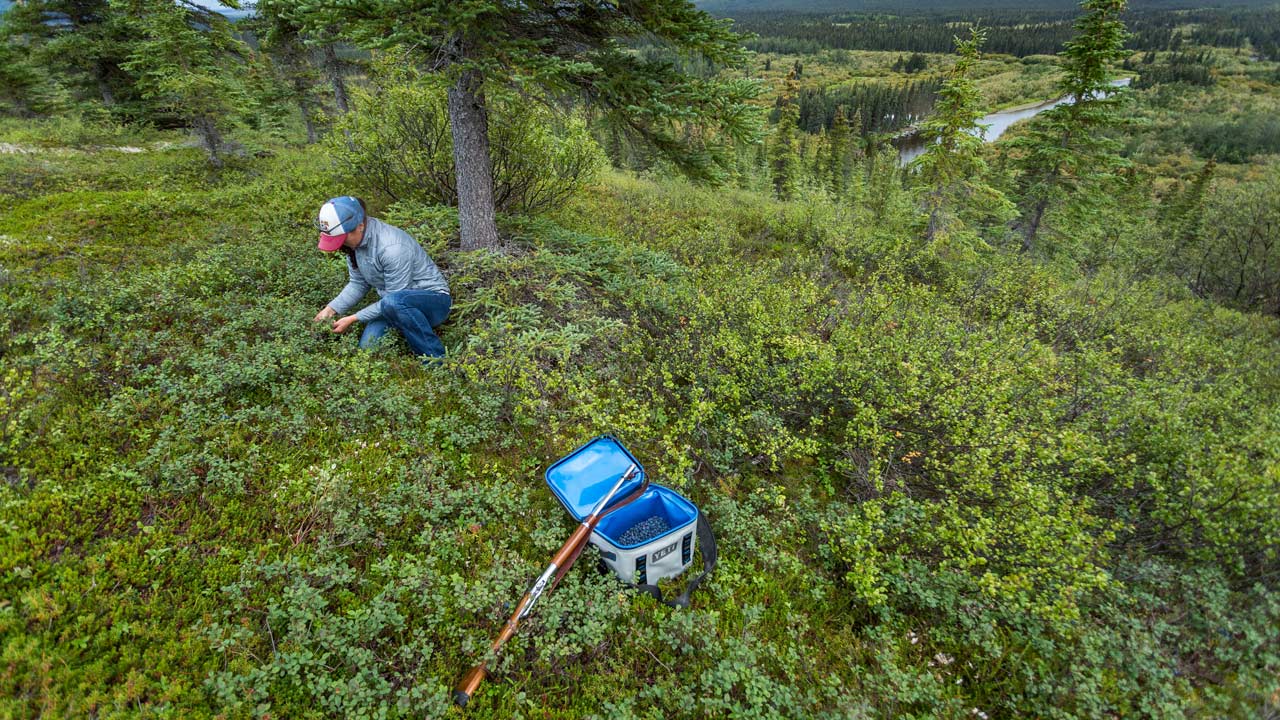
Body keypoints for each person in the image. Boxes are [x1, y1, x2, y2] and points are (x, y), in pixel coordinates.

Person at [312, 196, 452, 361]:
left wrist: (353, 318)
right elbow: (358, 284)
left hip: (433, 301)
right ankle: (406, 331)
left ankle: (436, 361)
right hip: (392, 305)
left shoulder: (392, 248)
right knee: (367, 348)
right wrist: (330, 310)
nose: (340, 244)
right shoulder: (353, 245)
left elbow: (394, 298)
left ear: (360, 226)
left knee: (394, 302)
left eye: (341, 238)